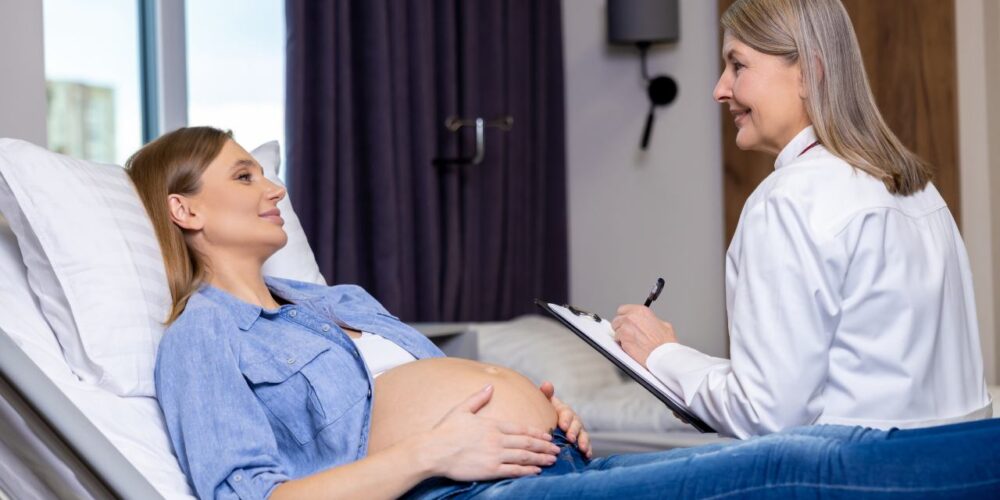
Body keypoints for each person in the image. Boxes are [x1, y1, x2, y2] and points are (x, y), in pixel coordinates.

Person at [130, 126, 1000, 499]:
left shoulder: (333, 302)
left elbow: (426, 385)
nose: (275, 185)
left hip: (543, 472)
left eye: (263, 168)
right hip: (462, 494)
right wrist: (439, 447)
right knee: (802, 467)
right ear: (186, 211)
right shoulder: (201, 338)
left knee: (809, 456)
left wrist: (538, 411)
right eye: (244, 175)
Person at [613, 0, 992, 439]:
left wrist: (661, 356)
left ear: (810, 73)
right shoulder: (919, 190)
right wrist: (679, 365)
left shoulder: (787, 202)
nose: (719, 89)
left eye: (738, 65)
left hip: (851, 480)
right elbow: (802, 386)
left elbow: (766, 416)